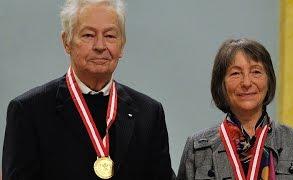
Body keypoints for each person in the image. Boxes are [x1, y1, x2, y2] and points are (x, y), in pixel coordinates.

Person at [2, 0, 175, 179]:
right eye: (88, 35)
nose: (100, 46)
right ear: (66, 42)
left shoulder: (149, 113)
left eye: (110, 36)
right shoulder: (29, 111)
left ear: (122, 44)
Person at [177, 39, 293, 180]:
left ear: (269, 80)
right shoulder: (197, 148)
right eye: (236, 73)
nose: (247, 83)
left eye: (256, 72)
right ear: (221, 84)